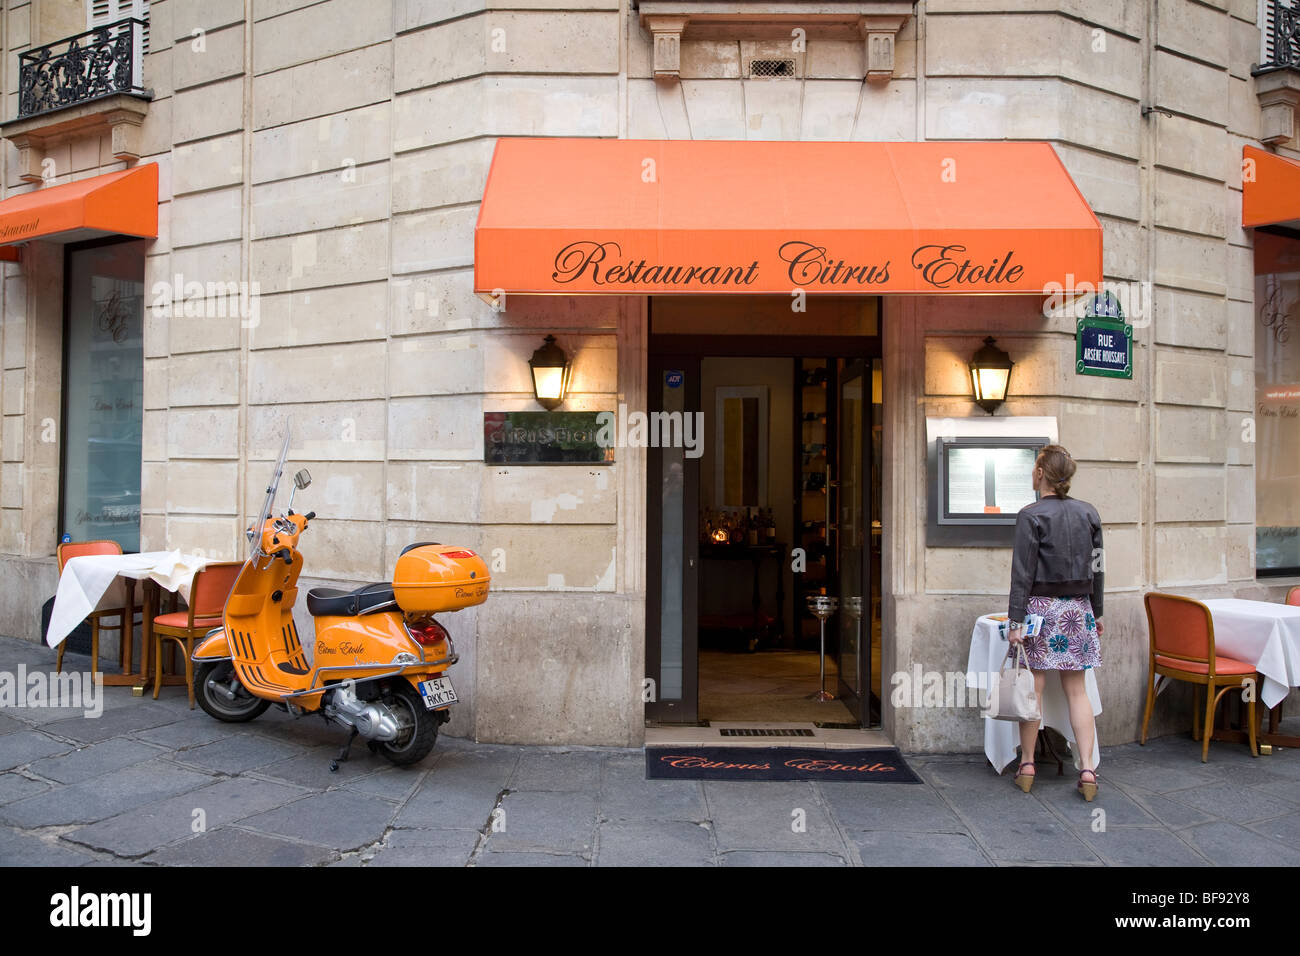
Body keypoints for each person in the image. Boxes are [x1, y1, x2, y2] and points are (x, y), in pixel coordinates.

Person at [1005, 444, 1104, 801]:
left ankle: (1028, 764)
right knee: (1077, 690)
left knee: (1034, 688)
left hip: (1040, 611)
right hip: (1078, 609)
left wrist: (1015, 619)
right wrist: (1098, 610)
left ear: (1041, 474)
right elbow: (1098, 567)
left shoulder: (1030, 515)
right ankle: (1088, 769)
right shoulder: (1088, 512)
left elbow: (1022, 574)